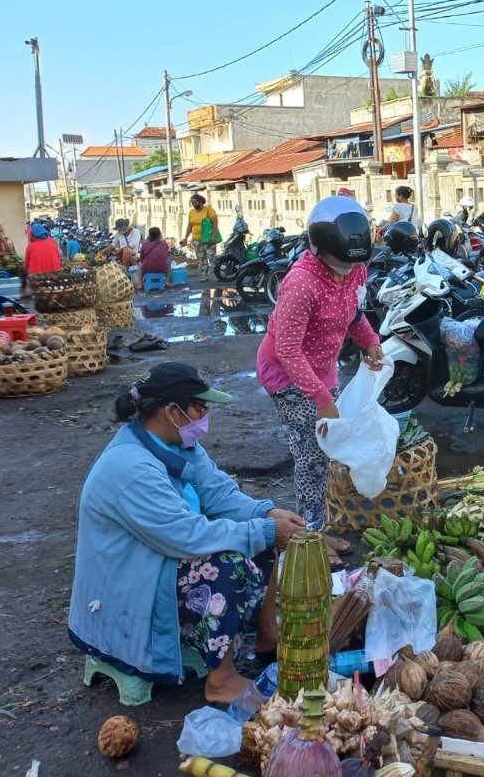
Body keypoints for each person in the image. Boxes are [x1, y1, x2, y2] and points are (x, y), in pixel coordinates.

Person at [68, 363, 306, 703]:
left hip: (159, 558)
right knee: (229, 566)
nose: (205, 416)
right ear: (171, 411)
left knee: (261, 541)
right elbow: (186, 536)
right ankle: (221, 680)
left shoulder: (178, 444)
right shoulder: (130, 467)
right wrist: (265, 530)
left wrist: (264, 514)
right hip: (132, 583)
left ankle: (268, 637)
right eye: (200, 408)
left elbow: (218, 493)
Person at [256, 197, 385, 563]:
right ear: (319, 248)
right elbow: (287, 349)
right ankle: (309, 537)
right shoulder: (301, 284)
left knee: (329, 447)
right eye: (339, 263)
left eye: (353, 264)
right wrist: (321, 398)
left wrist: (370, 341)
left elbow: (353, 313)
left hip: (323, 369)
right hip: (286, 373)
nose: (348, 271)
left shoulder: (354, 269)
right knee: (312, 455)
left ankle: (321, 522)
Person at [181, 194, 220, 282]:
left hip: (208, 239)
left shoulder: (209, 211)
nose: (194, 205)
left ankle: (219, 274)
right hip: (196, 239)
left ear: (201, 201)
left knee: (212, 258)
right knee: (201, 259)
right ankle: (204, 276)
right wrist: (185, 237)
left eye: (195, 203)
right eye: (192, 203)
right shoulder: (191, 212)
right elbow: (190, 225)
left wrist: (214, 237)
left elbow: (215, 224)